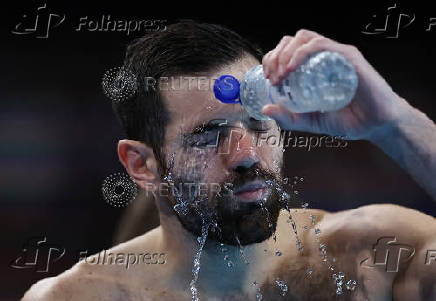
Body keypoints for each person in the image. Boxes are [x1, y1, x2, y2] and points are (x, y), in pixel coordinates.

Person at [22, 20, 436, 301]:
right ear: (141, 165)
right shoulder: (80, 296)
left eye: (258, 125)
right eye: (206, 137)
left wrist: (394, 123)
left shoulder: (369, 253)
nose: (245, 156)